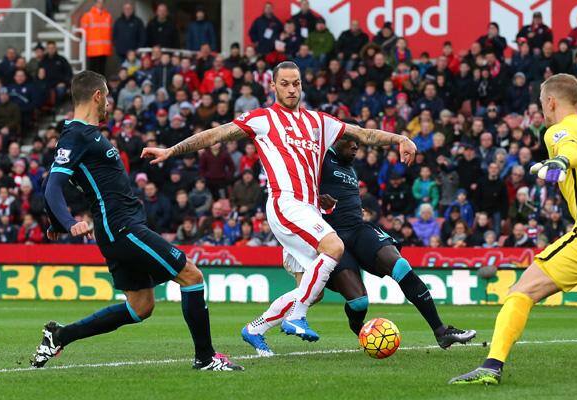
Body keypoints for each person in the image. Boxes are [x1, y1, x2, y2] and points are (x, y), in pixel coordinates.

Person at [141, 61, 416, 356]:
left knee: (315, 290)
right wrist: (171, 151)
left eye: (296, 83)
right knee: (333, 247)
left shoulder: (319, 122)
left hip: (308, 210)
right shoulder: (262, 119)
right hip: (286, 203)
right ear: (272, 86)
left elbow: (365, 134)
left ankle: (255, 328)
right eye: (284, 83)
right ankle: (296, 316)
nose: (291, 88)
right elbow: (215, 135)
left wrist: (400, 138)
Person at [33, 70, 243, 372]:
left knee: (141, 307)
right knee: (191, 275)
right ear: (97, 96)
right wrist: (67, 222)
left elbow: (60, 181)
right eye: (106, 95)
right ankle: (206, 357)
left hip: (120, 227)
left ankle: (60, 335)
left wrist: (54, 224)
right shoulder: (77, 134)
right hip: (121, 227)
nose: (109, 103)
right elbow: (52, 185)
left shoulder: (84, 135)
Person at [450, 74, 577, 385]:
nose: (543, 110)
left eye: (543, 104)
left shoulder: (560, 130)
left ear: (551, 102)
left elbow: (568, 147)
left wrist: (561, 162)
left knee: (521, 292)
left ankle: (491, 366)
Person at [284, 138, 475, 349]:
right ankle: (360, 329)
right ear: (335, 139)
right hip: (331, 238)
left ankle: (441, 331)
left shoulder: (350, 166)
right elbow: (293, 183)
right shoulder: (319, 159)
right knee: (359, 302)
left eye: (358, 142)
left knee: (401, 266)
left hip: (358, 230)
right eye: (350, 140)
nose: (356, 146)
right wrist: (316, 198)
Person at [79, 0, 112, 75]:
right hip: (93, 49)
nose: (100, 4)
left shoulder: (108, 16)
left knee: (102, 71)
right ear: (95, 3)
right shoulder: (88, 15)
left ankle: (101, 86)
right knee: (92, 71)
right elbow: (83, 33)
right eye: (98, 2)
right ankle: (92, 86)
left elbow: (109, 32)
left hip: (104, 49)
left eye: (102, 2)